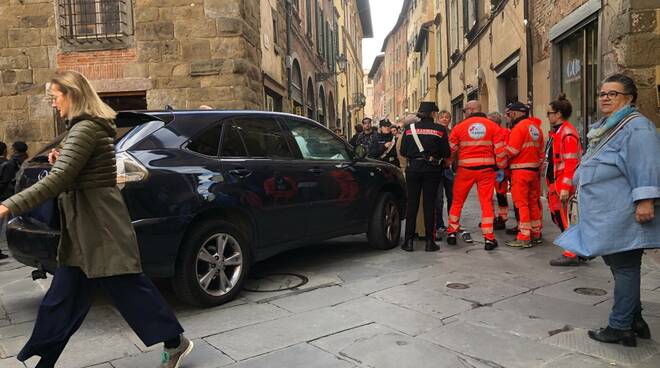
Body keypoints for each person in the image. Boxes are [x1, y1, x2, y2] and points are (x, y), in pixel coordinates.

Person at [0, 71, 193, 368]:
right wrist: (60, 159)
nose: (53, 103)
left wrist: (8, 206)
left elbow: (61, 179)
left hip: (99, 225)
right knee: (62, 298)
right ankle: (45, 360)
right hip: (84, 224)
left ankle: (175, 341)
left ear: (73, 94)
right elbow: (76, 170)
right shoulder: (81, 128)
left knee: (129, 290)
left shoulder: (85, 129)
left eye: (55, 97)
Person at [556, 74, 659, 347]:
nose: (604, 98)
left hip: (622, 212)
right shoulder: (612, 126)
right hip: (608, 213)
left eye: (612, 94)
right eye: (602, 93)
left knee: (625, 267)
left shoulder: (637, 128)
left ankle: (620, 326)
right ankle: (634, 319)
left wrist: (646, 200)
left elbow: (646, 164)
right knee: (620, 267)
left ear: (630, 98)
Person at [446, 100, 507, 251]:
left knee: (457, 201)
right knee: (486, 203)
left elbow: (451, 149)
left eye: (465, 110)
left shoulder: (459, 127)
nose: (464, 112)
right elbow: (500, 150)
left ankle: (452, 233)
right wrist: (501, 167)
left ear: (471, 110)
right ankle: (489, 238)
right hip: (486, 170)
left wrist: (448, 163)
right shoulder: (493, 126)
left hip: (465, 170)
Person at [400, 101, 450, 252]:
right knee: (429, 205)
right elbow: (446, 153)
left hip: (413, 169)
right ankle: (430, 242)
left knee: (412, 205)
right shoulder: (440, 129)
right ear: (434, 114)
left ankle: (408, 242)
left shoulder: (409, 129)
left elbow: (403, 151)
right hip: (432, 170)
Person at [544, 94, 583, 266]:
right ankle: (576, 249)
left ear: (558, 114)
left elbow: (571, 162)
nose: (548, 116)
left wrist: (566, 187)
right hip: (557, 183)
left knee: (565, 218)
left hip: (562, 184)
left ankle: (571, 253)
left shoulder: (566, 134)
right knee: (559, 217)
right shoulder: (558, 132)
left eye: (549, 113)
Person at [504, 102, 545, 248]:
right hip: (533, 171)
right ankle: (536, 233)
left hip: (520, 171)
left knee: (521, 203)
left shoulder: (518, 128)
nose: (506, 117)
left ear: (515, 113)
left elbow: (511, 151)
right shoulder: (536, 128)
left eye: (508, 114)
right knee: (533, 202)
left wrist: (501, 158)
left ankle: (524, 235)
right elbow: (541, 153)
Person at [487, 112, 510, 230]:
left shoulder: (499, 133)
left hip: (496, 168)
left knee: (496, 195)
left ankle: (499, 218)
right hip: (499, 168)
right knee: (500, 194)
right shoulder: (506, 132)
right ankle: (498, 218)